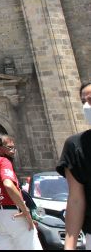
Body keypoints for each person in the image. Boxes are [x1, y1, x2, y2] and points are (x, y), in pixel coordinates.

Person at [0, 133, 41, 250]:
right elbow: (8, 185)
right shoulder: (3, 161)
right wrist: (25, 210)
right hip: (14, 213)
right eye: (9, 147)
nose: (13, 151)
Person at [58, 81, 91, 251]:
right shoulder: (76, 145)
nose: (86, 106)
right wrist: (69, 246)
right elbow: (76, 199)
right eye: (83, 101)